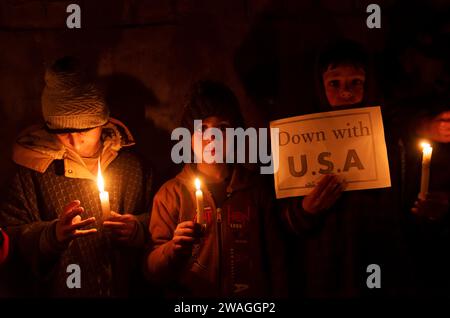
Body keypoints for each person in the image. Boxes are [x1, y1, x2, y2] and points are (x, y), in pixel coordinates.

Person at [0, 56, 152, 297]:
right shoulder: (32, 171)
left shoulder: (132, 167)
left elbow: (163, 220)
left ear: (102, 122)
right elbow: (9, 240)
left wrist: (139, 229)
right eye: (63, 132)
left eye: (84, 129)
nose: (74, 139)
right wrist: (50, 236)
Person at [281, 40, 411, 298]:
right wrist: (305, 211)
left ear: (368, 84)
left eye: (356, 82)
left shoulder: (387, 137)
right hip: (325, 269)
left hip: (380, 265)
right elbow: (282, 223)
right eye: (335, 83)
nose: (346, 92)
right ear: (320, 85)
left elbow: (404, 208)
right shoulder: (299, 138)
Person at [146, 80, 285, 298]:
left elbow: (277, 261)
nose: (213, 137)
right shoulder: (171, 194)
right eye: (202, 128)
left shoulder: (256, 190)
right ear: (188, 138)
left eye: (223, 128)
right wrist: (173, 248)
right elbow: (153, 269)